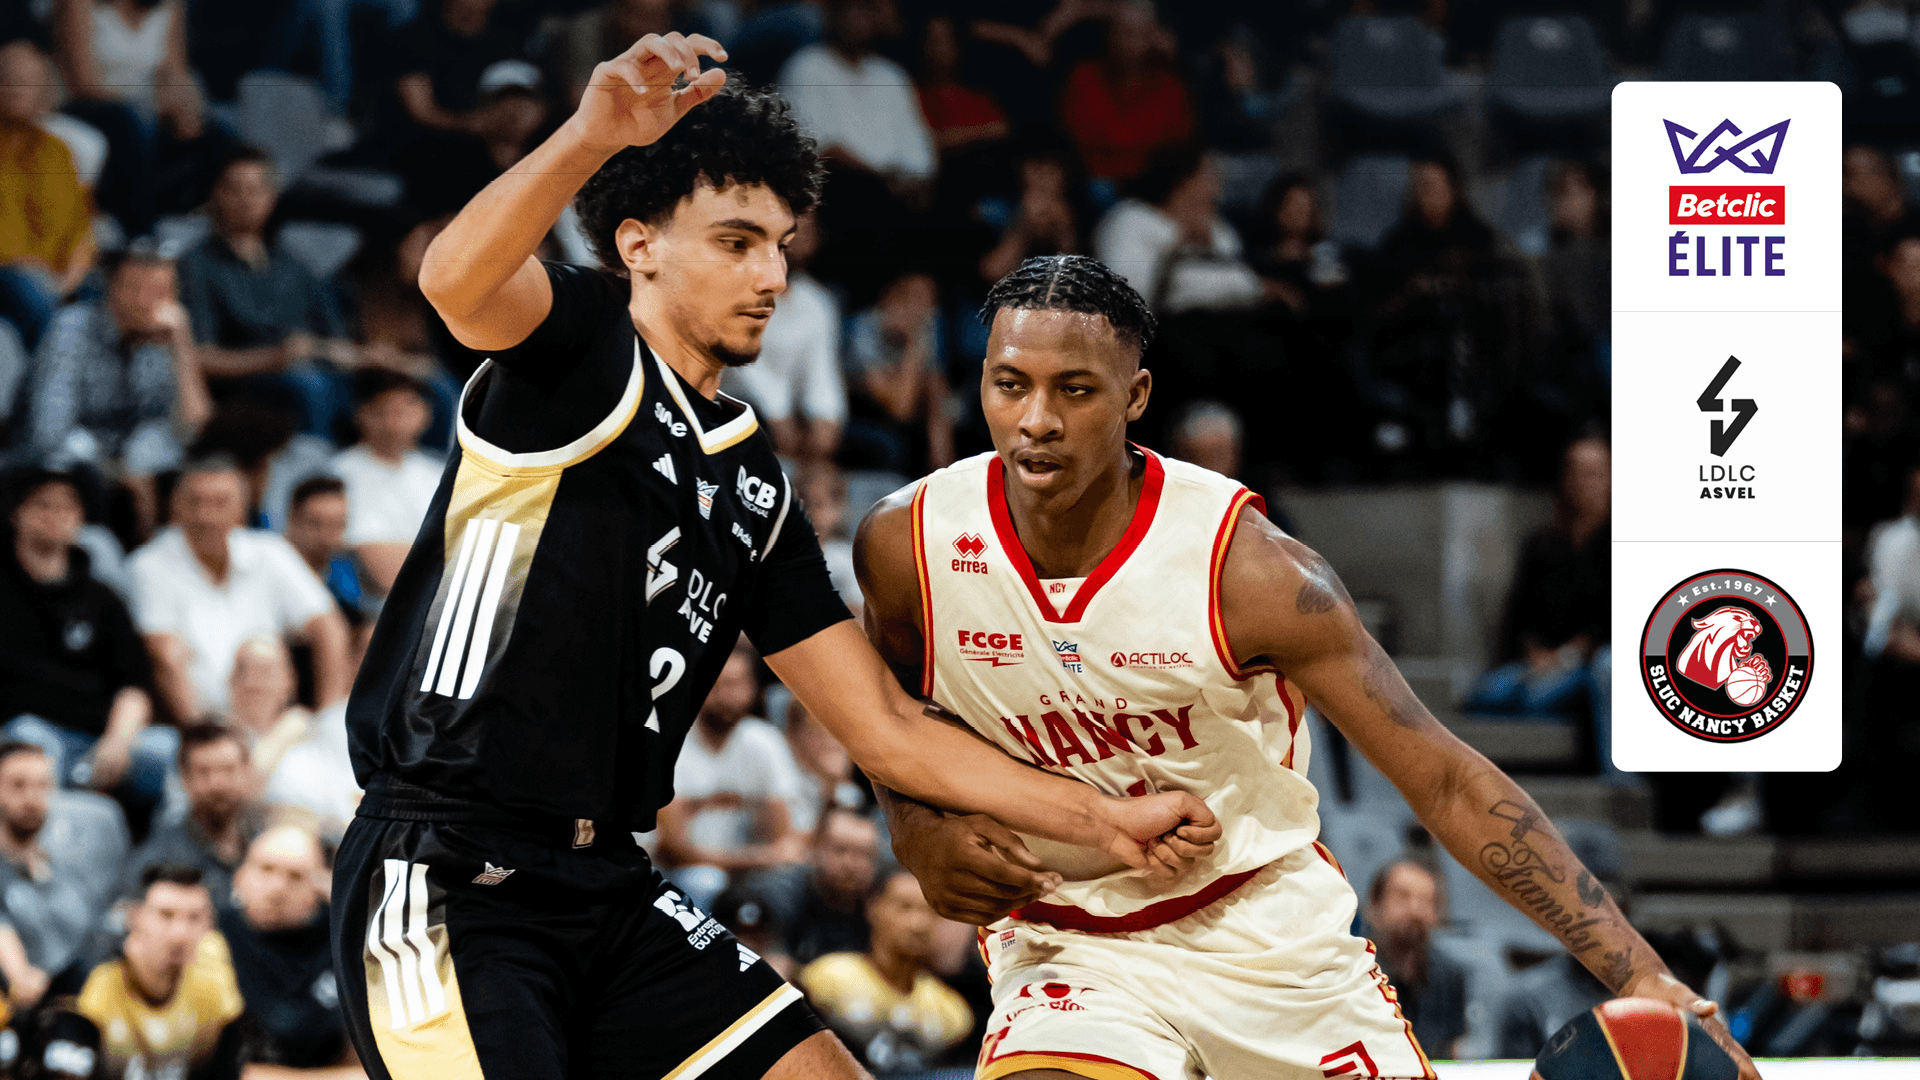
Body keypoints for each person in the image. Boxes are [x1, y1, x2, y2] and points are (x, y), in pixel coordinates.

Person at [332, 39, 1213, 1080]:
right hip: (445, 873)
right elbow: (454, 281)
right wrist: (590, 133)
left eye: (782, 245)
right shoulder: (582, 352)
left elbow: (885, 728)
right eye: (737, 242)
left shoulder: (753, 479)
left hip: (607, 886)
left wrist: (1105, 819)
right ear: (638, 245)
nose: (772, 276)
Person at [856, 254, 1759, 1080]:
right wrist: (914, 827)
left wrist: (1640, 973)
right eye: (1010, 385)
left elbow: (1443, 778)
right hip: (1070, 945)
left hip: (1265, 935)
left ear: (1136, 396)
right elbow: (889, 719)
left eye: (1075, 389)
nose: (1037, 420)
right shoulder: (909, 545)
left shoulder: (1252, 571)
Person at [128, 456, 351, 720]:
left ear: (242, 509)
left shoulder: (270, 552)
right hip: (200, 721)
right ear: (175, 506)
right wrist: (201, 733)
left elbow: (329, 628)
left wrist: (328, 716)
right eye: (194, 502)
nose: (205, 515)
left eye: (219, 503)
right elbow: (165, 657)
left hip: (274, 718)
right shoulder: (148, 564)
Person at [1, 468, 175, 804]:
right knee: (32, 750)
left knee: (173, 753)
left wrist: (118, 741)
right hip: (24, 734)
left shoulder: (102, 598)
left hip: (101, 737)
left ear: (81, 517)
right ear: (17, 514)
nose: (55, 515)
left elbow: (134, 685)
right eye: (43, 505)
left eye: (67, 507)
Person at [24, 247, 214, 537]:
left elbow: (194, 431)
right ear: (115, 289)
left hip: (133, 465)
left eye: (166, 291)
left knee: (187, 468)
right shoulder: (71, 328)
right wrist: (119, 474)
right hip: (64, 467)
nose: (155, 302)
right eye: (143, 289)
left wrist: (182, 345)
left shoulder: (166, 338)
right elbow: (49, 434)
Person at [175, 147, 356, 443]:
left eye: (257, 190)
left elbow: (336, 340)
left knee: (413, 387)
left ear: (272, 197)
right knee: (309, 385)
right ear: (216, 194)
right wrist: (277, 357)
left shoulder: (295, 265)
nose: (246, 200)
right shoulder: (194, 266)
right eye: (235, 190)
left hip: (316, 371)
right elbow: (199, 357)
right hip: (243, 390)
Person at [656, 642, 808, 897]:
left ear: (754, 688)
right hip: (680, 874)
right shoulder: (671, 743)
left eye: (736, 685)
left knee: (791, 879)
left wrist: (766, 857)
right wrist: (760, 858)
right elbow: (675, 850)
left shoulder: (764, 741)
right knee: (707, 881)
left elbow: (786, 834)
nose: (726, 696)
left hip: (752, 874)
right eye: (717, 685)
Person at [77, 864, 247, 1080]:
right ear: (134, 917)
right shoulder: (97, 978)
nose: (180, 934)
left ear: (210, 925)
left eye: (195, 918)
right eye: (166, 915)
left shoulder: (213, 982)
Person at [797, 869, 973, 1073]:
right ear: (873, 907)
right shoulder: (825, 979)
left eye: (930, 911)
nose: (919, 924)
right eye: (905, 907)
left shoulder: (952, 1012)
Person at [219, 826, 362, 1074]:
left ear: (318, 887)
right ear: (239, 875)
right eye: (266, 869)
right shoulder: (214, 935)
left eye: (296, 876)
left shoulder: (342, 938)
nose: (278, 888)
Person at [0, 741, 130, 1002]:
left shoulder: (65, 862)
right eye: (18, 785)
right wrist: (20, 973)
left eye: (42, 785)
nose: (32, 798)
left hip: (81, 988)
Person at [719, 211, 845, 467]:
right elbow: (742, 362)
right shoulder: (735, 289)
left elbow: (821, 370)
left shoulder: (817, 301)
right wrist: (778, 413)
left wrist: (826, 418)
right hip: (733, 408)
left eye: (808, 230)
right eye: (794, 228)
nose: (801, 236)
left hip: (792, 420)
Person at [0, 38, 94, 350]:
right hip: (8, 273)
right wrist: (26, 267)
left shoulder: (58, 152)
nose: (16, 88)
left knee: (112, 298)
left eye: (27, 81)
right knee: (30, 294)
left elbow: (81, 229)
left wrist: (69, 279)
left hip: (57, 275)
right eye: (7, 78)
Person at [329, 369, 443, 595]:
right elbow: (385, 572)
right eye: (388, 409)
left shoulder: (438, 472)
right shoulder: (340, 475)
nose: (398, 417)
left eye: (410, 406)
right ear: (363, 413)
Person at [122, 723, 264, 904]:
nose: (217, 783)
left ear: (247, 771)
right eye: (204, 772)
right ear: (184, 778)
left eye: (228, 769)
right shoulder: (161, 855)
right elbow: (128, 908)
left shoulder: (271, 834)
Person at [1057, 0, 1194, 183]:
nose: (1127, 43)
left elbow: (1179, 148)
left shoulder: (1171, 87)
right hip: (1091, 182)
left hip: (1154, 185)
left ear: (1153, 39)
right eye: (1122, 33)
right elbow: (1075, 145)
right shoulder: (1083, 77)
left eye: (1137, 35)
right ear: (1109, 36)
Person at [1364, 859, 1466, 1060]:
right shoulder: (1354, 973)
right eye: (1402, 897)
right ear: (1374, 907)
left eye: (1426, 901)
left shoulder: (1450, 976)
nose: (1415, 910)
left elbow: (1450, 1053)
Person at [759, 804, 881, 967]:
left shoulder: (881, 899)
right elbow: (771, 966)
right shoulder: (782, 893)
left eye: (863, 854)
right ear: (816, 849)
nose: (851, 864)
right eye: (840, 850)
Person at [284, 475, 371, 627]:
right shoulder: (270, 567)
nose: (326, 537)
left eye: (338, 525)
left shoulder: (345, 568)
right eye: (315, 524)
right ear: (292, 517)